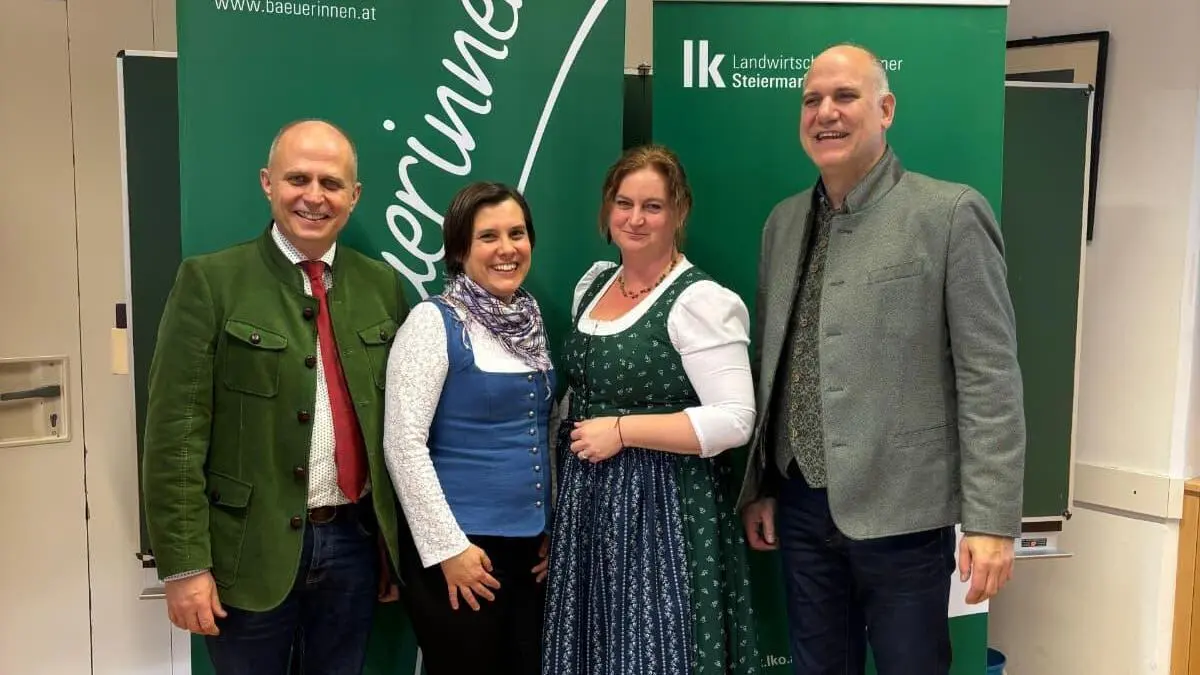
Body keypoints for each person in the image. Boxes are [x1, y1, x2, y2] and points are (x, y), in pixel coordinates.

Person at [737, 44, 1027, 675]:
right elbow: (775, 361)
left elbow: (990, 376)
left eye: (845, 97)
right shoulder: (782, 223)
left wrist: (992, 522)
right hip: (800, 504)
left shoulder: (949, 213)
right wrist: (762, 486)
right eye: (812, 100)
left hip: (905, 512)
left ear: (886, 110)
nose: (825, 113)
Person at [141, 119, 407, 674]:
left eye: (331, 183)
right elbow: (175, 437)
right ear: (268, 183)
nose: (314, 196)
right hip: (245, 554)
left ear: (354, 196)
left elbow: (398, 427)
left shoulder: (381, 285)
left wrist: (390, 544)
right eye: (298, 179)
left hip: (354, 548)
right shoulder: (211, 282)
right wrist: (184, 566)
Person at [542, 145, 761, 675]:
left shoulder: (700, 302)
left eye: (653, 206)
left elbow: (735, 418)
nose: (635, 219)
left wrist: (623, 431)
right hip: (587, 500)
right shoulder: (594, 284)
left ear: (679, 212)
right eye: (624, 203)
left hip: (663, 503)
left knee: (654, 649)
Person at [382, 182, 553, 675]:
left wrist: (551, 524)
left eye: (517, 233)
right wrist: (448, 549)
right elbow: (402, 443)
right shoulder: (432, 322)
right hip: (460, 550)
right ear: (459, 249)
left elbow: (544, 428)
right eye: (488, 237)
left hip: (530, 551)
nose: (507, 249)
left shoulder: (530, 320)